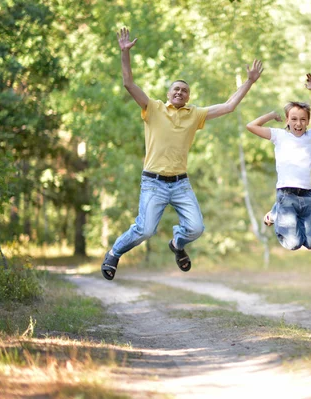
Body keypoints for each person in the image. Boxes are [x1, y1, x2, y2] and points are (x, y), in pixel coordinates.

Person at [101, 27, 263, 280]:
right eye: (175, 89)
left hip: (180, 183)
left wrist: (250, 81)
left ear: (188, 97)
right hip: (153, 182)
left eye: (184, 90)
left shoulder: (195, 114)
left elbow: (229, 106)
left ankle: (178, 244)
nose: (179, 92)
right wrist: (125, 54)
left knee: (197, 228)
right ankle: (114, 253)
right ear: (168, 94)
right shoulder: (153, 108)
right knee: (144, 230)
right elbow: (128, 83)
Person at [245, 74, 311, 250]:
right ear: (287, 120)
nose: (298, 123)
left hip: (308, 195)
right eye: (294, 119)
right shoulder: (279, 136)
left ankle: (275, 211)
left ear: (308, 121)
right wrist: (270, 115)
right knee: (293, 243)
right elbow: (251, 126)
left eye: (303, 119)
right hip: (286, 194)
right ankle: (277, 212)